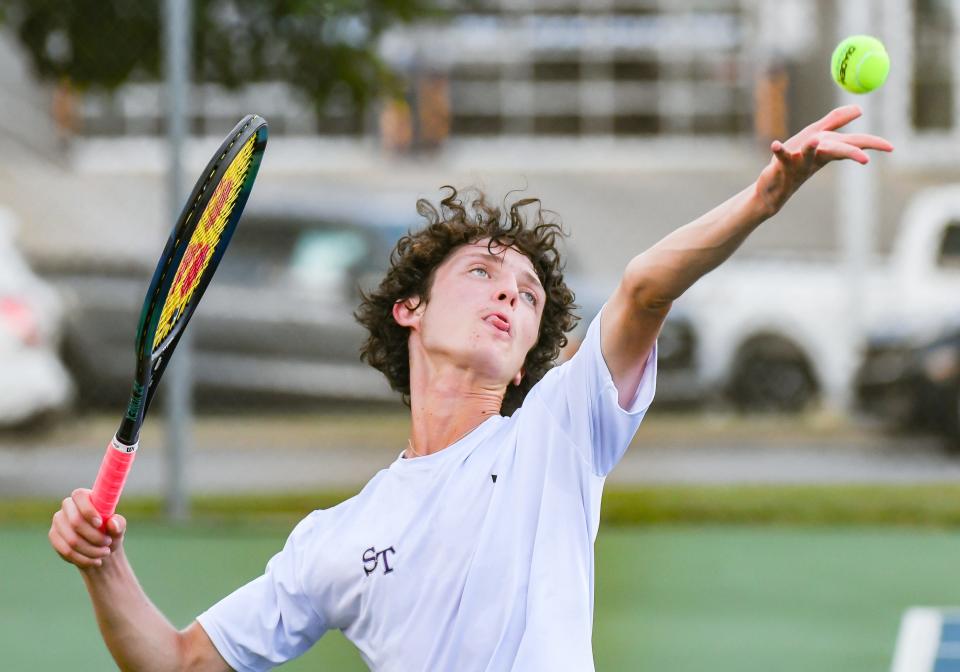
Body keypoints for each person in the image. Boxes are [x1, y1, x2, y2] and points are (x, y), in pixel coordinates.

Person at [49, 105, 892, 671]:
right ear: (409, 309)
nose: (508, 295)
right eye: (485, 274)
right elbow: (181, 660)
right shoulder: (334, 538)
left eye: (527, 297)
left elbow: (642, 290)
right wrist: (105, 565)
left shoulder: (558, 433)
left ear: (529, 357)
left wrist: (762, 200)